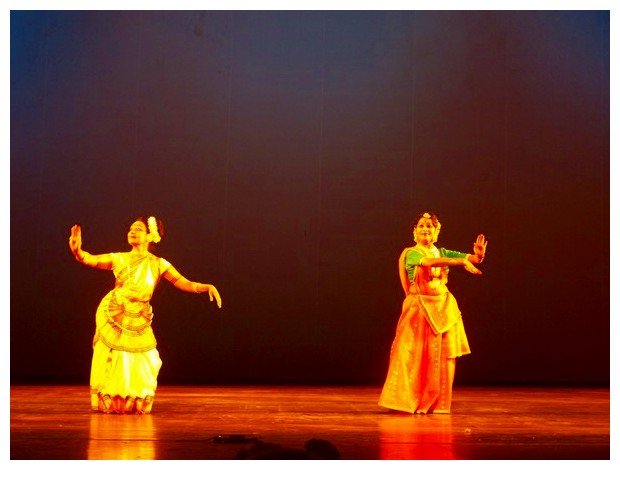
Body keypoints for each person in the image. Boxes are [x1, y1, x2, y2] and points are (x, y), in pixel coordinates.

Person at [68, 215, 222, 414]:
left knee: (146, 358)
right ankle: (112, 401)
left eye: (138, 229)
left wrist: (205, 287)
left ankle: (135, 401)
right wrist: (77, 251)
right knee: (116, 358)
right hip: (116, 312)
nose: (132, 231)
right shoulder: (119, 258)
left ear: (151, 236)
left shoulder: (159, 264)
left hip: (140, 314)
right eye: (130, 228)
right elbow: (91, 259)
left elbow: (183, 282)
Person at [378, 212, 487, 414]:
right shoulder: (412, 253)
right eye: (421, 226)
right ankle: (409, 400)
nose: (425, 229)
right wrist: (461, 263)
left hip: (443, 308)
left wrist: (477, 256)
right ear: (414, 232)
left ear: (437, 232)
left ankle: (438, 403)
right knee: (414, 355)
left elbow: (471, 259)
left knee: (443, 356)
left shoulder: (441, 252)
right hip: (419, 310)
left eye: (430, 226)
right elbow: (427, 264)